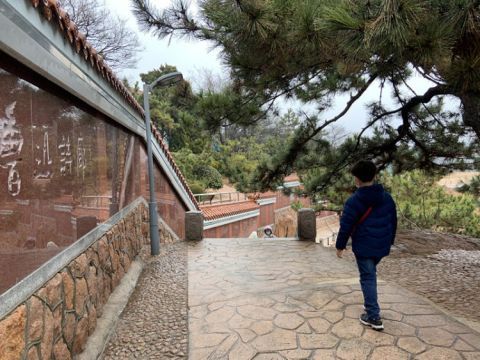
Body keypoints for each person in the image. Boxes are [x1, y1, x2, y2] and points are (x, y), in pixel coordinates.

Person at [335, 160, 397, 331]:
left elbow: (346, 225)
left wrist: (340, 246)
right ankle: (370, 304)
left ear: (356, 179)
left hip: (364, 245)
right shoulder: (386, 197)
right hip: (381, 246)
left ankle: (373, 316)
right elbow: (393, 221)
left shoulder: (354, 201)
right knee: (370, 274)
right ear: (374, 176)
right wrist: (389, 241)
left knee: (368, 277)